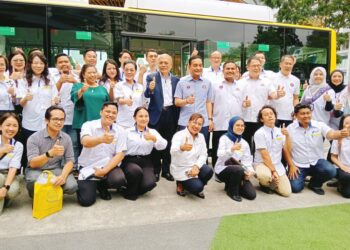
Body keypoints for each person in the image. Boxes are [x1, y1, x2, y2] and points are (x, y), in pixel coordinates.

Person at [285, 103, 349, 195]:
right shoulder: (290, 129)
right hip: (299, 164)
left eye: (308, 113)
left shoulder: (319, 125)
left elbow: (331, 134)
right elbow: (286, 149)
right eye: (302, 113)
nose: (306, 115)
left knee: (331, 171)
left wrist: (340, 133)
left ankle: (315, 184)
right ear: (296, 115)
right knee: (295, 188)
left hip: (316, 162)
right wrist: (291, 165)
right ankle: (300, 178)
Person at [77, 102, 127, 206]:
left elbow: (120, 154)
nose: (110, 114)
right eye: (107, 111)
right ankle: (90, 184)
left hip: (107, 166)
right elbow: (85, 142)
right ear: (101, 112)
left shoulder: (120, 130)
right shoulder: (88, 125)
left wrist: (104, 170)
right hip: (89, 166)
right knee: (86, 201)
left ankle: (102, 185)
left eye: (114, 113)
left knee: (119, 179)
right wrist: (101, 139)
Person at [25, 106, 78, 198]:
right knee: (34, 180)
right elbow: (33, 163)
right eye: (55, 119)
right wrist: (50, 153)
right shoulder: (34, 138)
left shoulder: (66, 138)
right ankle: (37, 194)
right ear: (46, 120)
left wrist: (63, 176)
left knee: (72, 186)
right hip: (36, 170)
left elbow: (70, 161)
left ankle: (51, 192)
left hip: (55, 169)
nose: (59, 122)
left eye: (62, 119)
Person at [18, 52, 59, 168]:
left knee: (46, 148)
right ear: (30, 64)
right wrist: (25, 98)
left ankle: (46, 171)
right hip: (30, 122)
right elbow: (20, 103)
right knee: (30, 149)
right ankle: (28, 171)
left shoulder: (49, 80)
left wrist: (56, 101)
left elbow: (55, 97)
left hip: (46, 122)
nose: (38, 65)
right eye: (35, 63)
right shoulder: (24, 80)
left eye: (41, 63)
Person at [144, 54, 179, 181]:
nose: (163, 65)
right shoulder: (151, 77)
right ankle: (156, 170)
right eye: (161, 62)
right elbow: (147, 94)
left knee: (168, 143)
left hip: (171, 113)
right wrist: (150, 89)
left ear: (170, 64)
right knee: (155, 142)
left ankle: (166, 170)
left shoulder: (176, 80)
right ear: (158, 64)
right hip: (155, 114)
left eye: (166, 63)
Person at [122, 107, 167, 200]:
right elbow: (120, 149)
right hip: (130, 160)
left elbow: (163, 146)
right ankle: (130, 193)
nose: (144, 118)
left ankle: (130, 188)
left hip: (146, 161)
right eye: (140, 116)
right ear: (135, 118)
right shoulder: (127, 132)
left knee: (150, 183)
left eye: (146, 116)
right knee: (135, 171)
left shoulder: (152, 132)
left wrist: (154, 139)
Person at [170, 113, 213, 199]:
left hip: (194, 166)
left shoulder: (201, 136)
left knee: (209, 171)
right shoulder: (179, 135)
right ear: (188, 123)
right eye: (194, 122)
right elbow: (172, 152)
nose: (196, 126)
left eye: (199, 124)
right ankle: (180, 183)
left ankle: (195, 182)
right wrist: (181, 148)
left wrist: (196, 166)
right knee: (198, 187)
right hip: (181, 168)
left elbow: (203, 154)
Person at [239, 56, 277, 150]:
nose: (256, 68)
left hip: (260, 119)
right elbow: (237, 100)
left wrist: (277, 94)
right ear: (248, 67)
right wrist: (244, 104)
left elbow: (273, 94)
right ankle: (246, 164)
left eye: (258, 66)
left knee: (260, 146)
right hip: (245, 118)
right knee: (245, 145)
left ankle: (259, 163)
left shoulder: (267, 82)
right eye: (254, 66)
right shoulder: (241, 82)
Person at [215, 116, 256, 202]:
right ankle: (232, 192)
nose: (240, 128)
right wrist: (231, 149)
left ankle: (231, 184)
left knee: (251, 195)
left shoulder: (244, 143)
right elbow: (220, 155)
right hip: (222, 169)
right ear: (231, 126)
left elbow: (247, 161)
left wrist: (250, 172)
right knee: (238, 169)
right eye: (237, 125)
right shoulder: (224, 138)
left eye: (242, 126)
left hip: (239, 171)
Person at [175, 55, 213, 144]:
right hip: (186, 122)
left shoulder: (207, 83)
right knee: (185, 150)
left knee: (202, 150)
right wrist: (186, 101)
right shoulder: (182, 82)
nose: (198, 68)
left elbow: (208, 102)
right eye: (195, 65)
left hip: (202, 123)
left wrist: (210, 119)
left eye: (200, 65)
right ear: (189, 66)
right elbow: (176, 102)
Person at [254, 106, 291, 197]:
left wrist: (287, 136)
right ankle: (264, 184)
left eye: (271, 114)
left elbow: (287, 149)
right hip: (262, 163)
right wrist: (273, 171)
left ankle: (272, 184)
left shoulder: (280, 131)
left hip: (277, 164)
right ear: (262, 119)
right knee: (265, 176)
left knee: (286, 192)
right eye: (266, 115)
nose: (270, 116)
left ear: (275, 116)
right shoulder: (259, 133)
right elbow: (265, 156)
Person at [71, 64, 109, 152]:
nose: (92, 75)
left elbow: (107, 105)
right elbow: (74, 98)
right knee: (83, 149)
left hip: (100, 124)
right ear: (83, 74)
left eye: (94, 72)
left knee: (100, 149)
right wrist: (81, 91)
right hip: (83, 122)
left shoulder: (102, 89)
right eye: (89, 73)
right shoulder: (77, 86)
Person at [211, 61, 242, 166]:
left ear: (236, 71)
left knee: (235, 148)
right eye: (227, 69)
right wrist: (210, 119)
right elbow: (210, 103)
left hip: (235, 124)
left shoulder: (241, 85)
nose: (230, 71)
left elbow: (243, 102)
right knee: (218, 148)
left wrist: (246, 104)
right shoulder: (215, 85)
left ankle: (233, 168)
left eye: (232, 69)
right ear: (223, 71)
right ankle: (218, 170)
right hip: (219, 122)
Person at [51, 53, 79, 166]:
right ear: (56, 65)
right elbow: (51, 92)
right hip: (58, 118)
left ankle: (73, 165)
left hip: (73, 117)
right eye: (60, 62)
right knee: (58, 143)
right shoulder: (52, 77)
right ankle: (58, 166)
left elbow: (83, 90)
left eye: (66, 62)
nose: (64, 64)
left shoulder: (76, 77)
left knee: (74, 143)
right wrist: (60, 81)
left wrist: (75, 81)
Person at [0, 113, 23, 214]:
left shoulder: (18, 145)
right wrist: (2, 151)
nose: (11, 129)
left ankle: (5, 197)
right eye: (8, 125)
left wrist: (6, 187)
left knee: (12, 191)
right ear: (1, 126)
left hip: (8, 174)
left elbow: (13, 167)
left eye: (15, 126)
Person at [270, 55, 300, 127]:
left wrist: (296, 112)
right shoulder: (271, 77)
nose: (288, 66)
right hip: (273, 115)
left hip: (288, 115)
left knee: (287, 137)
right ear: (280, 64)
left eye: (290, 64)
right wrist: (277, 95)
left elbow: (295, 98)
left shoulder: (296, 80)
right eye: (286, 63)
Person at [115, 60, 145, 129]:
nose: (129, 72)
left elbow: (142, 103)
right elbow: (119, 100)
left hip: (137, 123)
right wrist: (126, 101)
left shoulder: (140, 87)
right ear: (123, 71)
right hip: (122, 124)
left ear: (135, 71)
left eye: (131, 70)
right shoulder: (119, 85)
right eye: (126, 70)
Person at [330, 114, 350, 198]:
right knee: (347, 194)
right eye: (347, 123)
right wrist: (342, 167)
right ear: (342, 125)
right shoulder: (338, 137)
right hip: (343, 169)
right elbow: (333, 157)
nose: (349, 125)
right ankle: (340, 184)